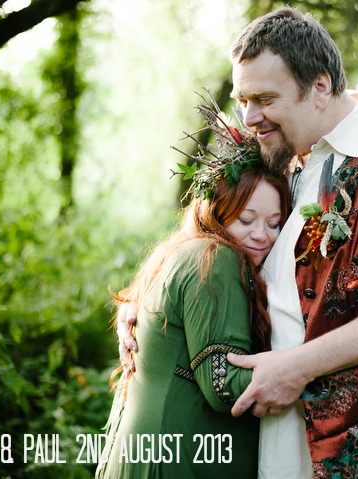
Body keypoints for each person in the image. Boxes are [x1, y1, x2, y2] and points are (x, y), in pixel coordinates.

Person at [120, 7, 358, 478]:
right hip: (284, 448)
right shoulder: (286, 163)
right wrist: (148, 305)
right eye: (242, 100)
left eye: (264, 98)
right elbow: (218, 236)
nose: (249, 117)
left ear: (321, 86)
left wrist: (295, 368)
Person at [96, 102, 291, 478]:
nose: (261, 235)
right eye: (246, 219)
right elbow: (224, 386)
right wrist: (318, 366)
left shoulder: (181, 250)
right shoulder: (216, 260)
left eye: (274, 222)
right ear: (217, 212)